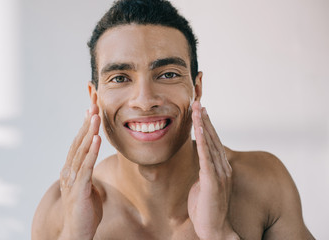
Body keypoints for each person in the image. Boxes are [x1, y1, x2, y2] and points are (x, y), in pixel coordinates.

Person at [32, 0, 315, 239]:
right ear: (95, 98)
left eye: (168, 74)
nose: (144, 100)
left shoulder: (263, 183)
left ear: (197, 88)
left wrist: (218, 233)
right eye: (120, 78)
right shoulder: (59, 210)